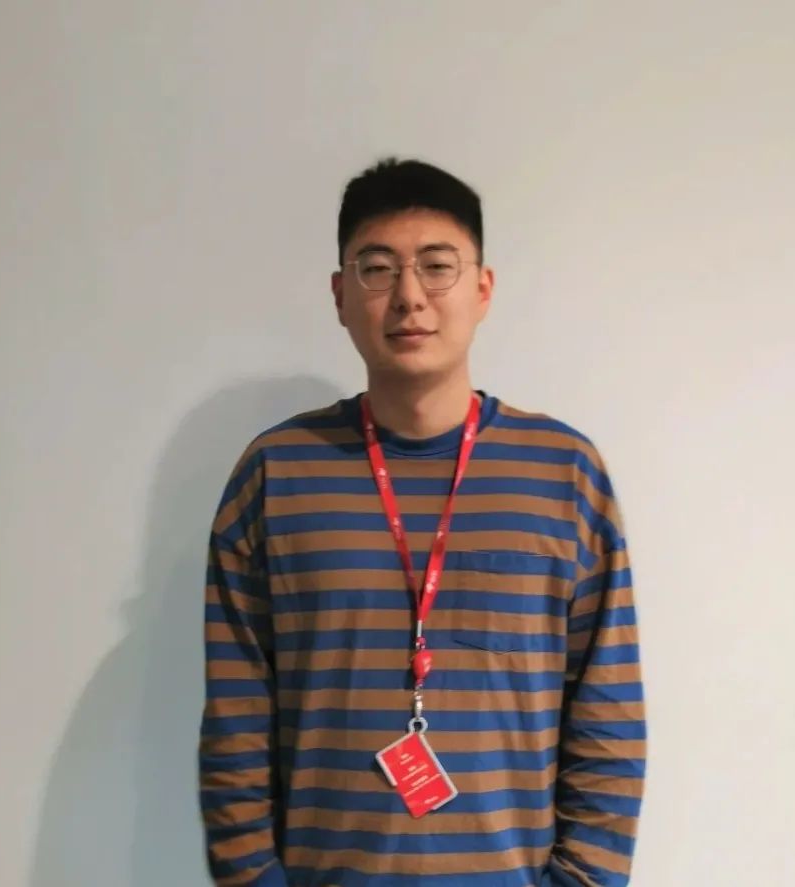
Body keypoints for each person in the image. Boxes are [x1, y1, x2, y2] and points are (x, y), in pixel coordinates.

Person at [198, 158, 646, 887]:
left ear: (482, 288)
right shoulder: (276, 474)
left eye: (437, 266)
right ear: (341, 295)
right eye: (377, 269)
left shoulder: (564, 474)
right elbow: (236, 724)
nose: (409, 296)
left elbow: (608, 719)